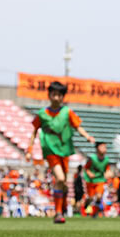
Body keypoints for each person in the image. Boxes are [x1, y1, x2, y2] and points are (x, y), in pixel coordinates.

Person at [25, 81, 95, 224]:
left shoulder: (66, 112)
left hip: (65, 151)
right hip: (50, 151)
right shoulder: (42, 114)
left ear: (63, 97)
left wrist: (87, 136)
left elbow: (77, 126)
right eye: (54, 94)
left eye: (59, 95)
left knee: (62, 184)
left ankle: (61, 206)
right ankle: (58, 213)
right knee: (61, 179)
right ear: (49, 95)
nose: (56, 97)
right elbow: (34, 132)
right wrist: (29, 150)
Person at [83, 142, 111, 218]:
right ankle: (86, 203)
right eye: (103, 147)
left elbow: (107, 169)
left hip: (100, 179)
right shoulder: (92, 158)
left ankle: (94, 213)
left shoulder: (106, 159)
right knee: (91, 198)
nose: (105, 149)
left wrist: (109, 173)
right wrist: (89, 173)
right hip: (90, 181)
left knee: (99, 196)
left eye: (105, 147)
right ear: (97, 148)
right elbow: (86, 167)